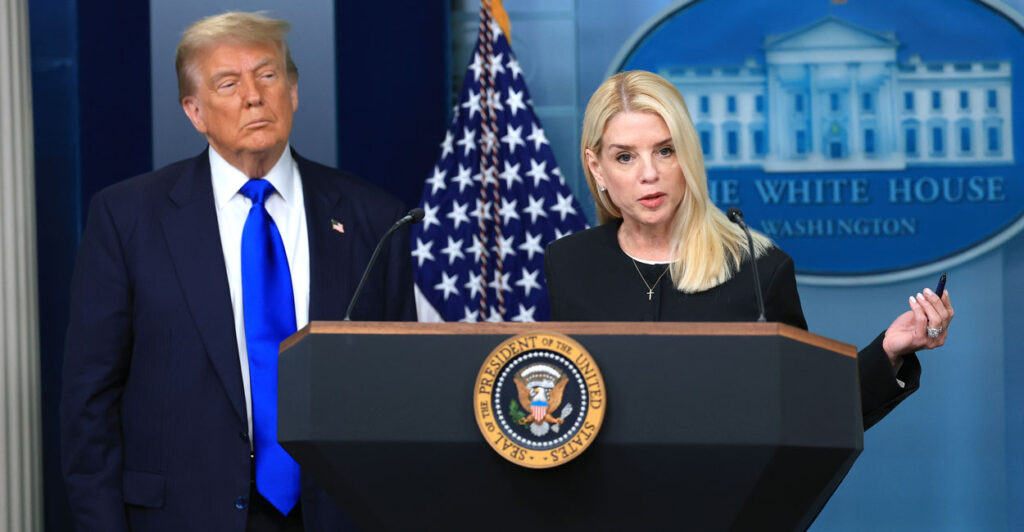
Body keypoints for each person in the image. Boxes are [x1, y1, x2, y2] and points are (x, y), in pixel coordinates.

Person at [61, 12, 415, 532]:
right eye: (229, 83)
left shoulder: (374, 218)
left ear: (292, 92)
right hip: (181, 516)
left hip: (336, 514)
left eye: (268, 76)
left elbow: (397, 394)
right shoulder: (128, 218)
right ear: (194, 111)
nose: (254, 96)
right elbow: (89, 404)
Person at [544, 70, 954, 429]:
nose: (649, 174)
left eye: (665, 151)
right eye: (625, 157)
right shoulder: (569, 263)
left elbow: (808, 412)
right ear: (597, 168)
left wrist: (888, 352)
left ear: (687, 155)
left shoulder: (757, 270)